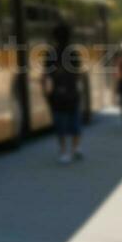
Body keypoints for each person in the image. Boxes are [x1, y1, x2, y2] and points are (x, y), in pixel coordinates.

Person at [41, 25, 83, 163]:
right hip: (72, 93)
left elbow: (45, 74)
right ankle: (75, 149)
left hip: (57, 94)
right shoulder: (73, 52)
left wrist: (46, 93)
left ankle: (63, 152)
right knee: (74, 122)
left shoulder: (50, 53)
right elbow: (78, 73)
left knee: (60, 124)